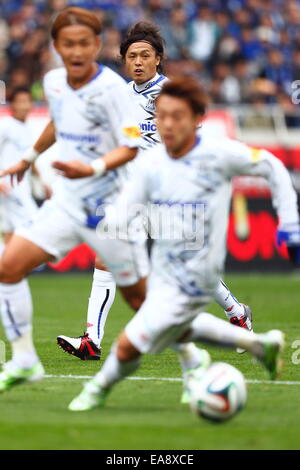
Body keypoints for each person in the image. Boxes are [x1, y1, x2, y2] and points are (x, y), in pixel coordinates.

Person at [68, 76, 299, 412]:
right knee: (171, 332)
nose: (168, 124)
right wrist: (99, 221)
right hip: (165, 272)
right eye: (161, 117)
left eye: (177, 116)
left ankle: (96, 390)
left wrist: (290, 222)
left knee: (130, 345)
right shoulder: (150, 162)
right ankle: (255, 345)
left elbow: (271, 165)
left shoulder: (219, 153)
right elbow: (125, 209)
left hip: (198, 272)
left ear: (196, 118)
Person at [58, 22, 252, 363]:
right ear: (123, 60)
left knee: (192, 270)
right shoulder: (119, 96)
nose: (137, 62)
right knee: (105, 258)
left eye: (145, 55)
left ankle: (237, 313)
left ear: (158, 59)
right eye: (131, 56)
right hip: (132, 195)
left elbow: (195, 144)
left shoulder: (173, 95)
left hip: (172, 196)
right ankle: (92, 339)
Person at [0, 6, 144, 392]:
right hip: (68, 203)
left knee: (142, 301)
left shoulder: (113, 90)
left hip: (111, 203)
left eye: (84, 43)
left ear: (96, 45)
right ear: (57, 47)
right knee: (8, 267)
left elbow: (130, 147)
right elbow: (57, 121)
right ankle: (25, 359)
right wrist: (27, 159)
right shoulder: (53, 83)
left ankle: (198, 362)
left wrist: (93, 168)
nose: (77, 51)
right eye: (68, 44)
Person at [0, 88, 38, 246]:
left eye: (27, 101)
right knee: (32, 224)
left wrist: (41, 182)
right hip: (9, 185)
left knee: (10, 231)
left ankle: (8, 268)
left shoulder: (27, 128)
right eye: (20, 102)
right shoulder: (5, 126)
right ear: (12, 105)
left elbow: (29, 159)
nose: (24, 106)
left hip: (22, 185)